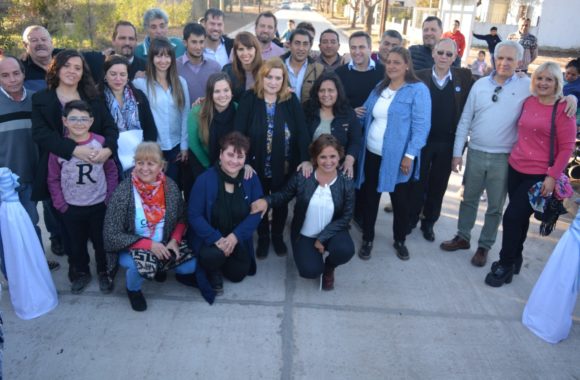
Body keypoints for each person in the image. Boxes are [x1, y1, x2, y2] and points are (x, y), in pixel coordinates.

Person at [440, 41, 577, 266]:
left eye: (510, 59)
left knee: (495, 206)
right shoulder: (480, 84)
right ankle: (462, 236)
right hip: (475, 152)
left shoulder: (527, 87)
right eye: (500, 58)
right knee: (469, 199)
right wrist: (457, 153)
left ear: (520, 62)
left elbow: (553, 93)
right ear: (494, 58)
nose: (504, 63)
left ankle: (484, 246)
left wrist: (571, 98)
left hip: (504, 158)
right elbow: (465, 119)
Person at [485, 62, 576, 287]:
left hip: (539, 175)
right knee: (520, 218)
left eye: (549, 79)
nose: (544, 83)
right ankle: (516, 258)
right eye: (540, 78)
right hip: (516, 167)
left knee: (512, 217)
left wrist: (552, 176)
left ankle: (504, 265)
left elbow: (567, 148)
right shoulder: (528, 101)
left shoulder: (564, 108)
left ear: (557, 83)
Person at [31, 49, 119, 282]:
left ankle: (103, 269)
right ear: (56, 69)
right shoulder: (42, 99)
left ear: (83, 73)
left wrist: (108, 148)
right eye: (67, 66)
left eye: (77, 67)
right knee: (70, 232)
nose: (72, 71)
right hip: (59, 175)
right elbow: (40, 135)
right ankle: (78, 269)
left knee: (98, 232)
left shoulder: (93, 98)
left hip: (95, 177)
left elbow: (110, 128)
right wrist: (73, 150)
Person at [355, 47, 431, 261]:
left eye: (397, 62)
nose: (392, 66)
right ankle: (368, 239)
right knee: (370, 198)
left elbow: (421, 126)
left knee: (400, 200)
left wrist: (410, 155)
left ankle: (400, 239)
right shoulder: (380, 88)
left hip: (398, 158)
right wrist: (353, 115)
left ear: (407, 65)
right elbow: (366, 113)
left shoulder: (417, 90)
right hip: (371, 152)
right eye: (388, 62)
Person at [252, 134, 355, 290]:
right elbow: (284, 195)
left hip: (333, 232)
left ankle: (329, 267)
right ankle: (314, 260)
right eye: (323, 157)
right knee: (310, 271)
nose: (328, 162)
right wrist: (266, 201)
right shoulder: (303, 176)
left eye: (333, 156)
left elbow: (347, 217)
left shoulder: (346, 181)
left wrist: (323, 238)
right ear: (315, 158)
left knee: (345, 250)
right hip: (305, 233)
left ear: (340, 155)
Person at [103, 142, 197, 311]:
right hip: (132, 247)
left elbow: (183, 217)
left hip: (163, 243)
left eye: (150, 163)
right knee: (141, 267)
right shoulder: (123, 192)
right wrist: (149, 245)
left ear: (161, 166)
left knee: (190, 266)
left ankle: (160, 267)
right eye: (140, 163)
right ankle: (133, 290)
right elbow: (111, 234)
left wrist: (175, 240)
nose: (144, 168)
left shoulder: (170, 187)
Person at [235, 57, 311, 259]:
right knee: (258, 201)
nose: (273, 82)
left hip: (284, 164)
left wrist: (304, 158)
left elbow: (302, 131)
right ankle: (263, 237)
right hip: (256, 163)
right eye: (269, 77)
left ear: (284, 80)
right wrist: (245, 162)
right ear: (262, 77)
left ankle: (277, 235)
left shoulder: (289, 99)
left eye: (278, 78)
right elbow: (239, 132)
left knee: (281, 202)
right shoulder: (250, 98)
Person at [47, 100, 118, 294]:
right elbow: (53, 178)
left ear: (91, 121)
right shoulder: (60, 147)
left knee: (101, 243)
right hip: (72, 207)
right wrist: (60, 204)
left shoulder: (101, 143)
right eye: (73, 119)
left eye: (83, 119)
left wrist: (109, 197)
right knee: (76, 245)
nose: (79, 123)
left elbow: (111, 170)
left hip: (98, 204)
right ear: (64, 121)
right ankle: (82, 272)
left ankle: (104, 272)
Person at [409, 39, 474, 242]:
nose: (444, 57)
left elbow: (489, 82)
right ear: (434, 54)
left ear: (455, 57)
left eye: (449, 54)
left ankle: (429, 223)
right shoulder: (419, 77)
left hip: (447, 143)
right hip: (423, 142)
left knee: (438, 186)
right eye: (441, 52)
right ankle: (411, 219)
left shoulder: (463, 77)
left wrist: (519, 75)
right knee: (417, 183)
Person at [0, 55, 60, 273]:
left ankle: (37, 264)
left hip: (35, 175)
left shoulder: (37, 100)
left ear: (24, 74)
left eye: (16, 73)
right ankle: (11, 273)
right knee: (7, 230)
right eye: (4, 75)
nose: (12, 79)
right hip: (6, 182)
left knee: (31, 224)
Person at [188, 132, 263, 295]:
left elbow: (256, 214)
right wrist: (217, 239)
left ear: (245, 159)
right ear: (221, 155)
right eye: (230, 154)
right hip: (210, 239)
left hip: (236, 237)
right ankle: (213, 271)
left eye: (240, 157)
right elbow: (194, 215)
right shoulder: (205, 180)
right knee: (212, 257)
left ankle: (227, 257)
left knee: (238, 274)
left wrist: (234, 237)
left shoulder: (251, 179)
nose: (234, 161)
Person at [133, 37, 190, 185]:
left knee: (173, 187)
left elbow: (185, 114)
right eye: (158, 56)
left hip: (176, 147)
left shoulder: (180, 82)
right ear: (151, 58)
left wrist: (184, 146)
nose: (163, 60)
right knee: (154, 187)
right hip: (153, 147)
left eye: (167, 56)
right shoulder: (141, 83)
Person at [99, 55, 158, 176]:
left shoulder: (139, 96)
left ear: (128, 76)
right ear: (105, 75)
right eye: (113, 74)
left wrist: (145, 156)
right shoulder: (97, 100)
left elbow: (150, 128)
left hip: (140, 160)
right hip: (111, 161)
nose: (118, 78)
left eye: (122, 74)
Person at [304, 72, 362, 178]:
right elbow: (299, 139)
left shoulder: (348, 113)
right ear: (316, 92)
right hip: (310, 170)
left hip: (339, 170)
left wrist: (349, 160)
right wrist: (304, 160)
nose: (326, 94)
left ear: (338, 92)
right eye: (322, 90)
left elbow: (356, 140)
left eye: (331, 90)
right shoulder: (306, 110)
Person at [21, 25, 106, 90]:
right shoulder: (20, 69)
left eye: (44, 39)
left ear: (51, 43)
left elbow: (96, 58)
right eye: (34, 40)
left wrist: (107, 55)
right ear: (25, 45)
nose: (40, 43)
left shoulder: (65, 57)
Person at [188, 72, 237, 183]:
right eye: (217, 91)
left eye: (226, 90)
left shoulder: (238, 109)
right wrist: (209, 166)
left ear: (231, 92)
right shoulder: (197, 112)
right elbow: (193, 144)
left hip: (234, 167)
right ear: (210, 94)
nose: (222, 95)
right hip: (204, 166)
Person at [335, 31, 385, 114]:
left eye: (361, 47)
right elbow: (335, 102)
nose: (357, 52)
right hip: (348, 124)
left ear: (370, 48)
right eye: (353, 47)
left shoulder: (383, 72)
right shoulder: (339, 73)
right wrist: (350, 113)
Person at [177, 22, 221, 104]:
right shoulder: (175, 67)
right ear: (185, 43)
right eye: (194, 42)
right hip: (184, 116)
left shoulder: (215, 67)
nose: (198, 47)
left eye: (201, 42)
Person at [281, 29, 324, 104]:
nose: (301, 48)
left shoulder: (319, 70)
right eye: (297, 43)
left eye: (305, 44)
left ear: (310, 46)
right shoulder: (277, 65)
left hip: (308, 115)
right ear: (290, 45)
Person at [222, 32, 263, 102]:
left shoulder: (266, 69)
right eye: (241, 49)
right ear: (235, 52)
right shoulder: (228, 71)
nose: (245, 53)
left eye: (249, 48)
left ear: (256, 50)